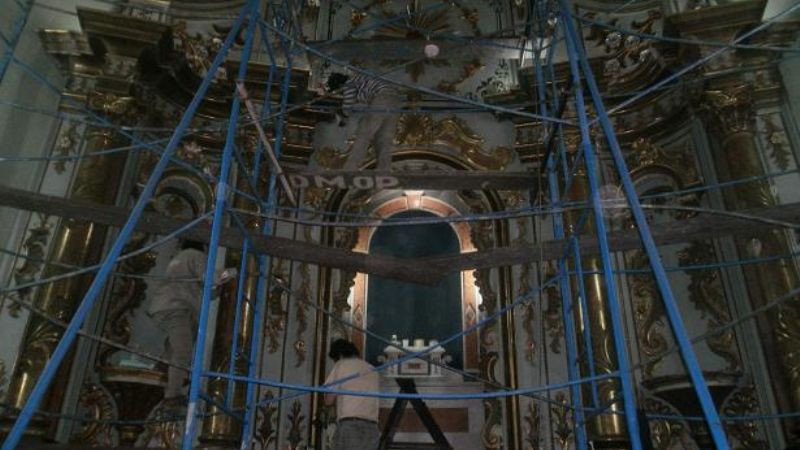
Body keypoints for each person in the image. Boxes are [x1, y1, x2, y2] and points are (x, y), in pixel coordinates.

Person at [148, 239, 237, 401]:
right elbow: (211, 279)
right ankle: (172, 395)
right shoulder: (195, 255)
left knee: (174, 349)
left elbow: (209, 292)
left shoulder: (180, 258)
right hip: (176, 308)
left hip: (169, 306)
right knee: (183, 352)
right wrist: (229, 273)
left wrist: (218, 285)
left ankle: (159, 377)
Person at [326, 72, 401, 171]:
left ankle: (350, 168)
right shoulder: (360, 79)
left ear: (340, 86)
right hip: (396, 100)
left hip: (381, 97)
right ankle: (384, 169)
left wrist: (339, 112)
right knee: (384, 137)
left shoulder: (349, 83)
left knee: (364, 133)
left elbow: (347, 108)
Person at [324, 338, 380, 450]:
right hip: (372, 428)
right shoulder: (372, 369)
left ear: (339, 356)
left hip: (350, 426)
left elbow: (329, 400)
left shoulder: (341, 365)